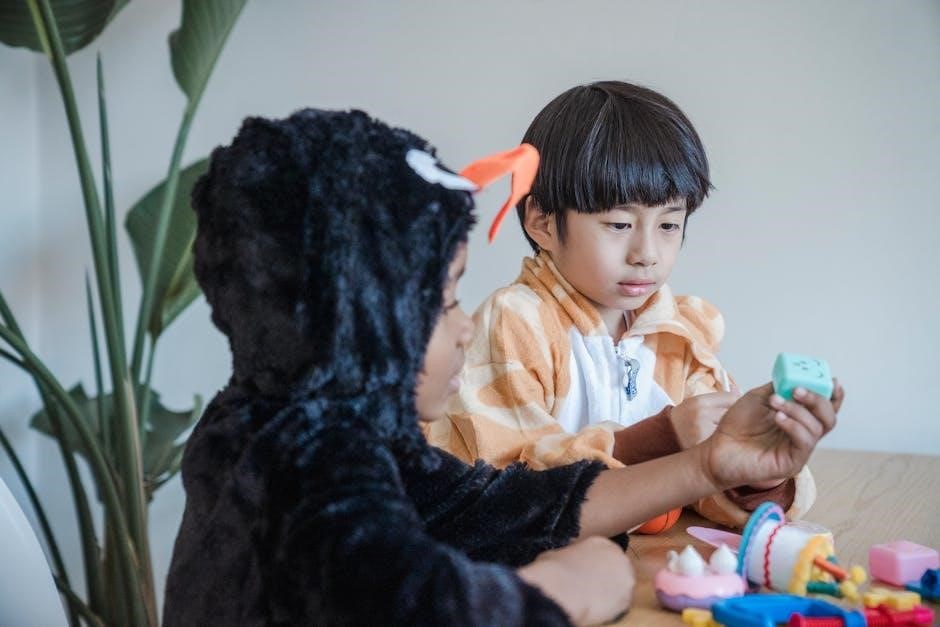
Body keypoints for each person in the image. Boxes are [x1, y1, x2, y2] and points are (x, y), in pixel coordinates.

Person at [163, 108, 839, 626]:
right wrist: (564, 590)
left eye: (669, 224)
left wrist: (710, 466)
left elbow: (490, 506)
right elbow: (424, 607)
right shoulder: (307, 460)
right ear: (356, 318)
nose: (465, 325)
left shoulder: (341, 430)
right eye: (445, 302)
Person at [426, 81, 844, 528]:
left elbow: (711, 480)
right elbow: (501, 493)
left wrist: (761, 476)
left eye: (669, 225)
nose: (646, 253)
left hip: (646, 554)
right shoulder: (515, 323)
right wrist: (659, 438)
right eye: (619, 224)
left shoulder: (680, 335)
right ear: (543, 222)